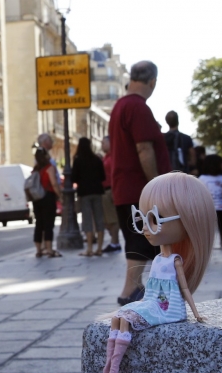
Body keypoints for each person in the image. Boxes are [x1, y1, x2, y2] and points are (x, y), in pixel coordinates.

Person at [95, 173, 214, 373]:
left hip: (169, 310)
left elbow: (184, 289)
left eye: (155, 219)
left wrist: (195, 313)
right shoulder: (159, 259)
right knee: (118, 317)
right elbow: (152, 291)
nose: (146, 228)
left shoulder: (175, 261)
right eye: (141, 218)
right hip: (154, 303)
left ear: (189, 221)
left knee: (126, 319)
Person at [108, 61, 171, 305]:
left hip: (126, 187)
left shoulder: (120, 106)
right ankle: (130, 292)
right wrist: (155, 185)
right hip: (140, 189)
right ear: (152, 82)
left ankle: (137, 290)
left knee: (140, 240)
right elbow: (144, 148)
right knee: (148, 239)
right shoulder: (138, 107)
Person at [71, 137, 106, 257]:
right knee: (99, 219)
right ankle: (100, 248)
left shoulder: (78, 160)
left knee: (87, 220)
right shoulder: (97, 159)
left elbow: (73, 178)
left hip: (84, 193)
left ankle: (89, 249)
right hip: (97, 191)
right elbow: (103, 177)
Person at [199, 154, 222, 264]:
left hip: (221, 208)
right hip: (206, 209)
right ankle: (204, 254)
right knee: (206, 233)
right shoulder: (202, 179)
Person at [31, 148, 62, 258]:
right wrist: (60, 196)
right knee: (48, 224)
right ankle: (49, 250)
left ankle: (38, 250)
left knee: (39, 224)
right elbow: (54, 184)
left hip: (36, 199)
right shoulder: (49, 168)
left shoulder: (35, 169)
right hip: (48, 197)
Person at [99, 135, 122, 253]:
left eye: (103, 143)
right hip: (104, 190)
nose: (101, 145)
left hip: (110, 190)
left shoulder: (113, 157)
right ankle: (114, 241)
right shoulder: (106, 157)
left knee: (112, 219)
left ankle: (115, 242)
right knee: (107, 220)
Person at [163, 111, 196, 175]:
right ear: (178, 121)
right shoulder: (186, 138)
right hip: (183, 172)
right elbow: (193, 159)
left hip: (166, 174)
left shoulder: (162, 138)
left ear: (166, 122)